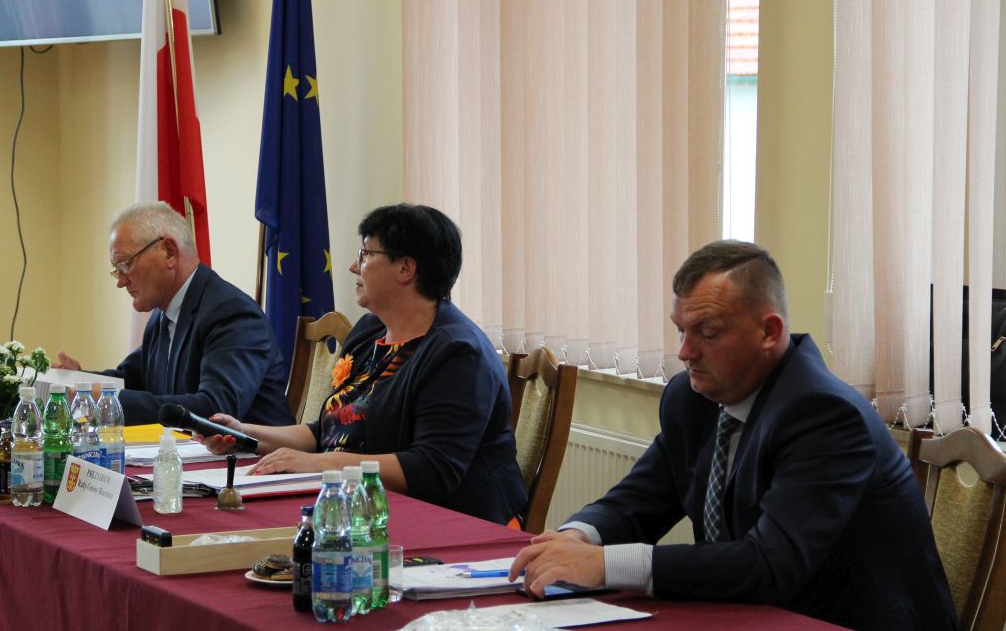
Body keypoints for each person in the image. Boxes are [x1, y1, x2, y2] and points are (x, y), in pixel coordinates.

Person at [509, 241, 956, 631]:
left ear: (769, 331)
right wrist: (578, 539)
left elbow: (770, 563)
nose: (685, 352)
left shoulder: (824, 415)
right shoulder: (691, 398)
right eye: (681, 330)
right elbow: (635, 503)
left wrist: (605, 566)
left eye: (707, 333)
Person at [201, 203, 526, 524]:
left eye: (366, 254)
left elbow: (431, 470)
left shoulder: (457, 354)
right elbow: (328, 432)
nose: (353, 267)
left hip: (454, 525)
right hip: (365, 509)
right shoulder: (370, 331)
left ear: (405, 268)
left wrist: (317, 464)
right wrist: (244, 434)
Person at [54, 202, 293, 427]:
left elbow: (215, 410)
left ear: (169, 252)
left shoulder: (231, 313)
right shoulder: (162, 316)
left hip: (257, 457)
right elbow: (130, 379)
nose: (121, 282)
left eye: (125, 264)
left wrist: (112, 399)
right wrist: (79, 381)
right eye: (117, 271)